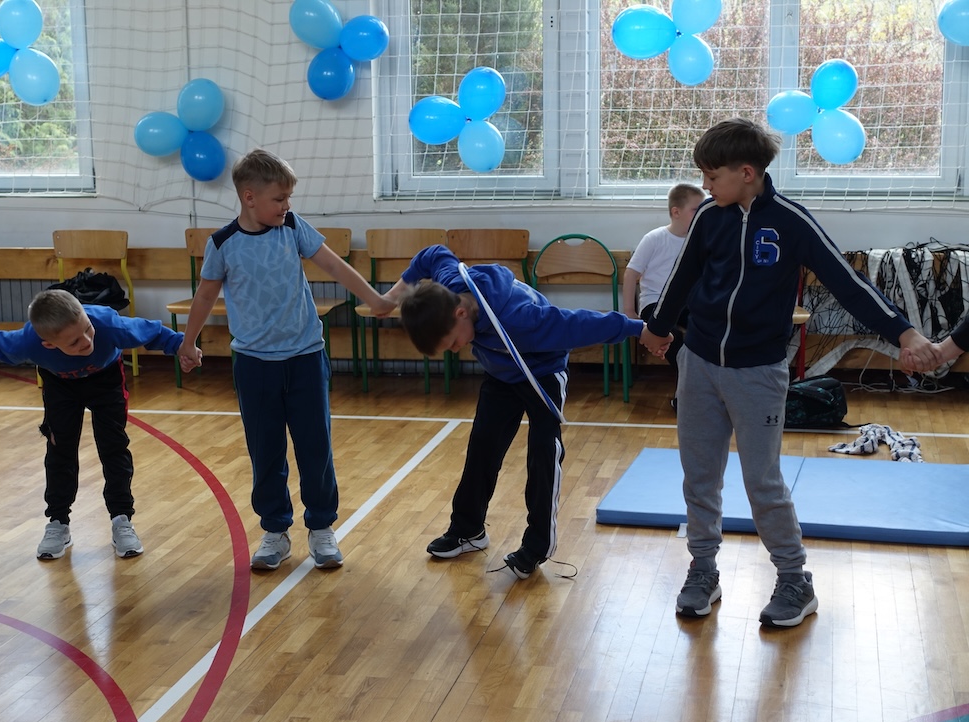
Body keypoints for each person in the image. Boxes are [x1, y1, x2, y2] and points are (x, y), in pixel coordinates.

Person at [640, 118, 942, 628]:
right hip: (700, 364)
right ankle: (703, 569)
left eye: (712, 177)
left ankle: (794, 579)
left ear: (747, 172)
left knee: (762, 481)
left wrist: (905, 333)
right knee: (699, 475)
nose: (706, 187)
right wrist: (658, 328)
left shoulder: (791, 222)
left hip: (757, 372)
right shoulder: (709, 217)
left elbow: (847, 283)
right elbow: (681, 277)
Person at [177, 148, 394, 571]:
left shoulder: (292, 227)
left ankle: (321, 526)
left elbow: (335, 266)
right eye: (279, 198)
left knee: (315, 446)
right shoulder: (222, 243)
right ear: (249, 197)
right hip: (255, 365)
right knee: (266, 451)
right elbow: (204, 296)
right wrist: (189, 342)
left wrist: (375, 298)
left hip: (305, 357)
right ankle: (275, 530)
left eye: (289, 197)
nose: (286, 206)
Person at [382, 244, 647, 579]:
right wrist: (392, 297)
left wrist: (638, 329)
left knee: (543, 452)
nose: (456, 350)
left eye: (452, 343)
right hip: (501, 373)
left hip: (541, 372)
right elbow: (432, 254)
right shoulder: (450, 286)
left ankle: (537, 546)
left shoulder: (520, 319)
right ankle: (468, 530)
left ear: (460, 313)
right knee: (482, 447)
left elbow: (580, 324)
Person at [0, 289, 190, 560]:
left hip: (106, 381)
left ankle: (122, 519)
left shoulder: (107, 325)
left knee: (114, 447)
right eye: (74, 342)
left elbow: (152, 332)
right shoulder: (28, 342)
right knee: (60, 451)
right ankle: (58, 522)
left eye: (87, 329)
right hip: (59, 386)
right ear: (49, 344)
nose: (87, 341)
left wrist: (182, 346)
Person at [622, 182, 705, 371]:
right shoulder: (655, 238)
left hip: (688, 304)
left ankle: (704, 377)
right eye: (695, 210)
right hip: (654, 303)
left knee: (707, 328)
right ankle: (686, 378)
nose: (701, 214)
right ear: (676, 212)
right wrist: (629, 312)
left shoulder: (701, 241)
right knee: (667, 334)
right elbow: (631, 274)